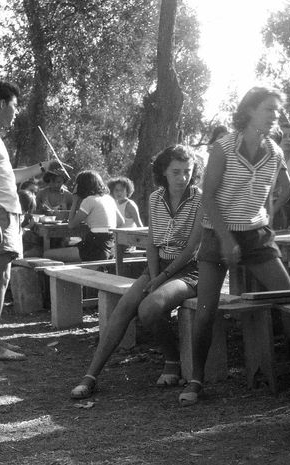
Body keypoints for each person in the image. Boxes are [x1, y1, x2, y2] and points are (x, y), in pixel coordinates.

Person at [178, 86, 290, 406]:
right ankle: (195, 380)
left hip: (255, 234)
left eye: (277, 110)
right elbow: (208, 197)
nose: (275, 115)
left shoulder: (274, 151)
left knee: (289, 299)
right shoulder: (224, 146)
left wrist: (264, 218)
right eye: (268, 109)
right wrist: (227, 239)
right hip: (217, 233)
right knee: (205, 311)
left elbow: (281, 189)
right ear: (249, 111)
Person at [70, 145, 203, 399]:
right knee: (124, 307)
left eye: (188, 171)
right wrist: (154, 276)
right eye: (176, 172)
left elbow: (191, 249)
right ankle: (90, 377)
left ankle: (172, 360)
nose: (182, 177)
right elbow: (152, 242)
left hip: (188, 270)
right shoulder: (156, 198)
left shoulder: (199, 198)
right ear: (163, 172)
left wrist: (161, 279)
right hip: (158, 267)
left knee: (149, 308)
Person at [0, 80, 60, 361]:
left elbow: (11, 177)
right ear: (1, 105)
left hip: (4, 214)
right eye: (15, 107)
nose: (16, 113)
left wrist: (45, 167)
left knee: (1, 278)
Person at [43, 170, 123, 262]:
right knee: (69, 245)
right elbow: (121, 221)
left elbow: (71, 225)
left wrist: (75, 200)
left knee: (47, 254)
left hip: (94, 249)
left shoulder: (89, 200)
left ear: (81, 186)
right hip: (111, 247)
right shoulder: (109, 199)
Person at [18, 189, 43, 258]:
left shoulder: (21, 215)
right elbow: (17, 234)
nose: (27, 213)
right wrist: (29, 226)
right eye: (27, 210)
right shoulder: (16, 215)